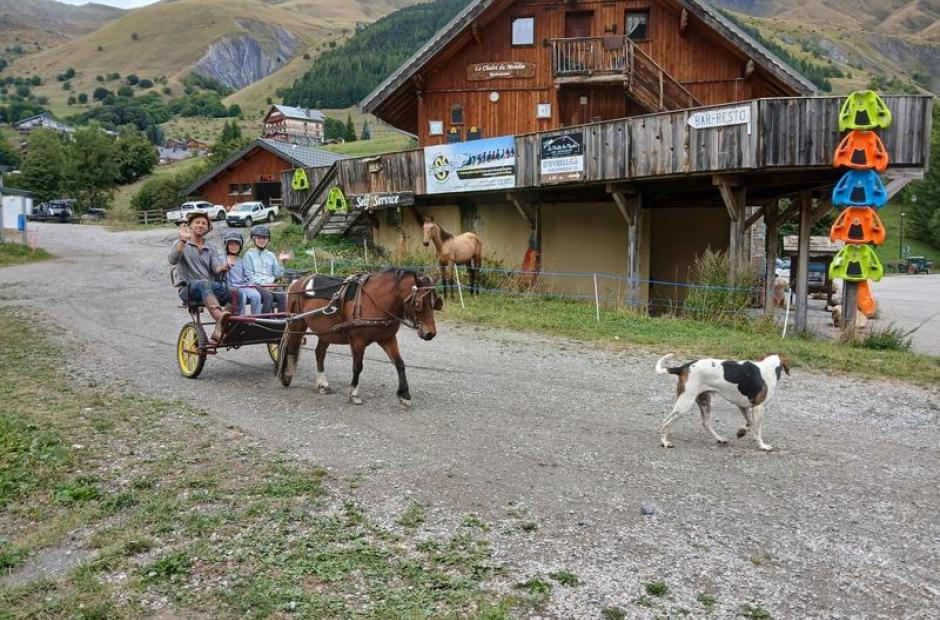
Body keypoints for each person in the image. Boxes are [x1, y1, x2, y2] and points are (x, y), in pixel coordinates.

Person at [168, 211, 230, 341]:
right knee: (204, 283)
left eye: (204, 223)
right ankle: (220, 316)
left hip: (208, 288)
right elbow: (173, 260)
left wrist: (223, 268)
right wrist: (182, 241)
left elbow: (216, 267)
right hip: (188, 289)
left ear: (207, 228)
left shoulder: (210, 247)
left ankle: (224, 325)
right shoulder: (180, 243)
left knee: (236, 292)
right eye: (197, 222)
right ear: (190, 225)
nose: (200, 225)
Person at [243, 225, 293, 313]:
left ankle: (281, 321)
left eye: (264, 238)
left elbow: (277, 274)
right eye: (259, 238)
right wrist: (265, 284)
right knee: (268, 297)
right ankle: (264, 322)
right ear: (253, 239)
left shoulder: (271, 255)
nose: (262, 240)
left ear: (268, 240)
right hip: (256, 285)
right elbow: (250, 275)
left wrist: (281, 262)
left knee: (283, 296)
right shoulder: (248, 255)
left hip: (271, 284)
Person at [222, 231, 262, 315]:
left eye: (236, 244)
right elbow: (218, 275)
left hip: (243, 286)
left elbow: (247, 276)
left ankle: (256, 319)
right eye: (231, 244)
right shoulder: (221, 259)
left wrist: (252, 283)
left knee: (256, 295)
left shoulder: (241, 261)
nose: (234, 246)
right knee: (242, 296)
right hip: (229, 287)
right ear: (226, 245)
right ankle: (240, 319)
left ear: (240, 246)